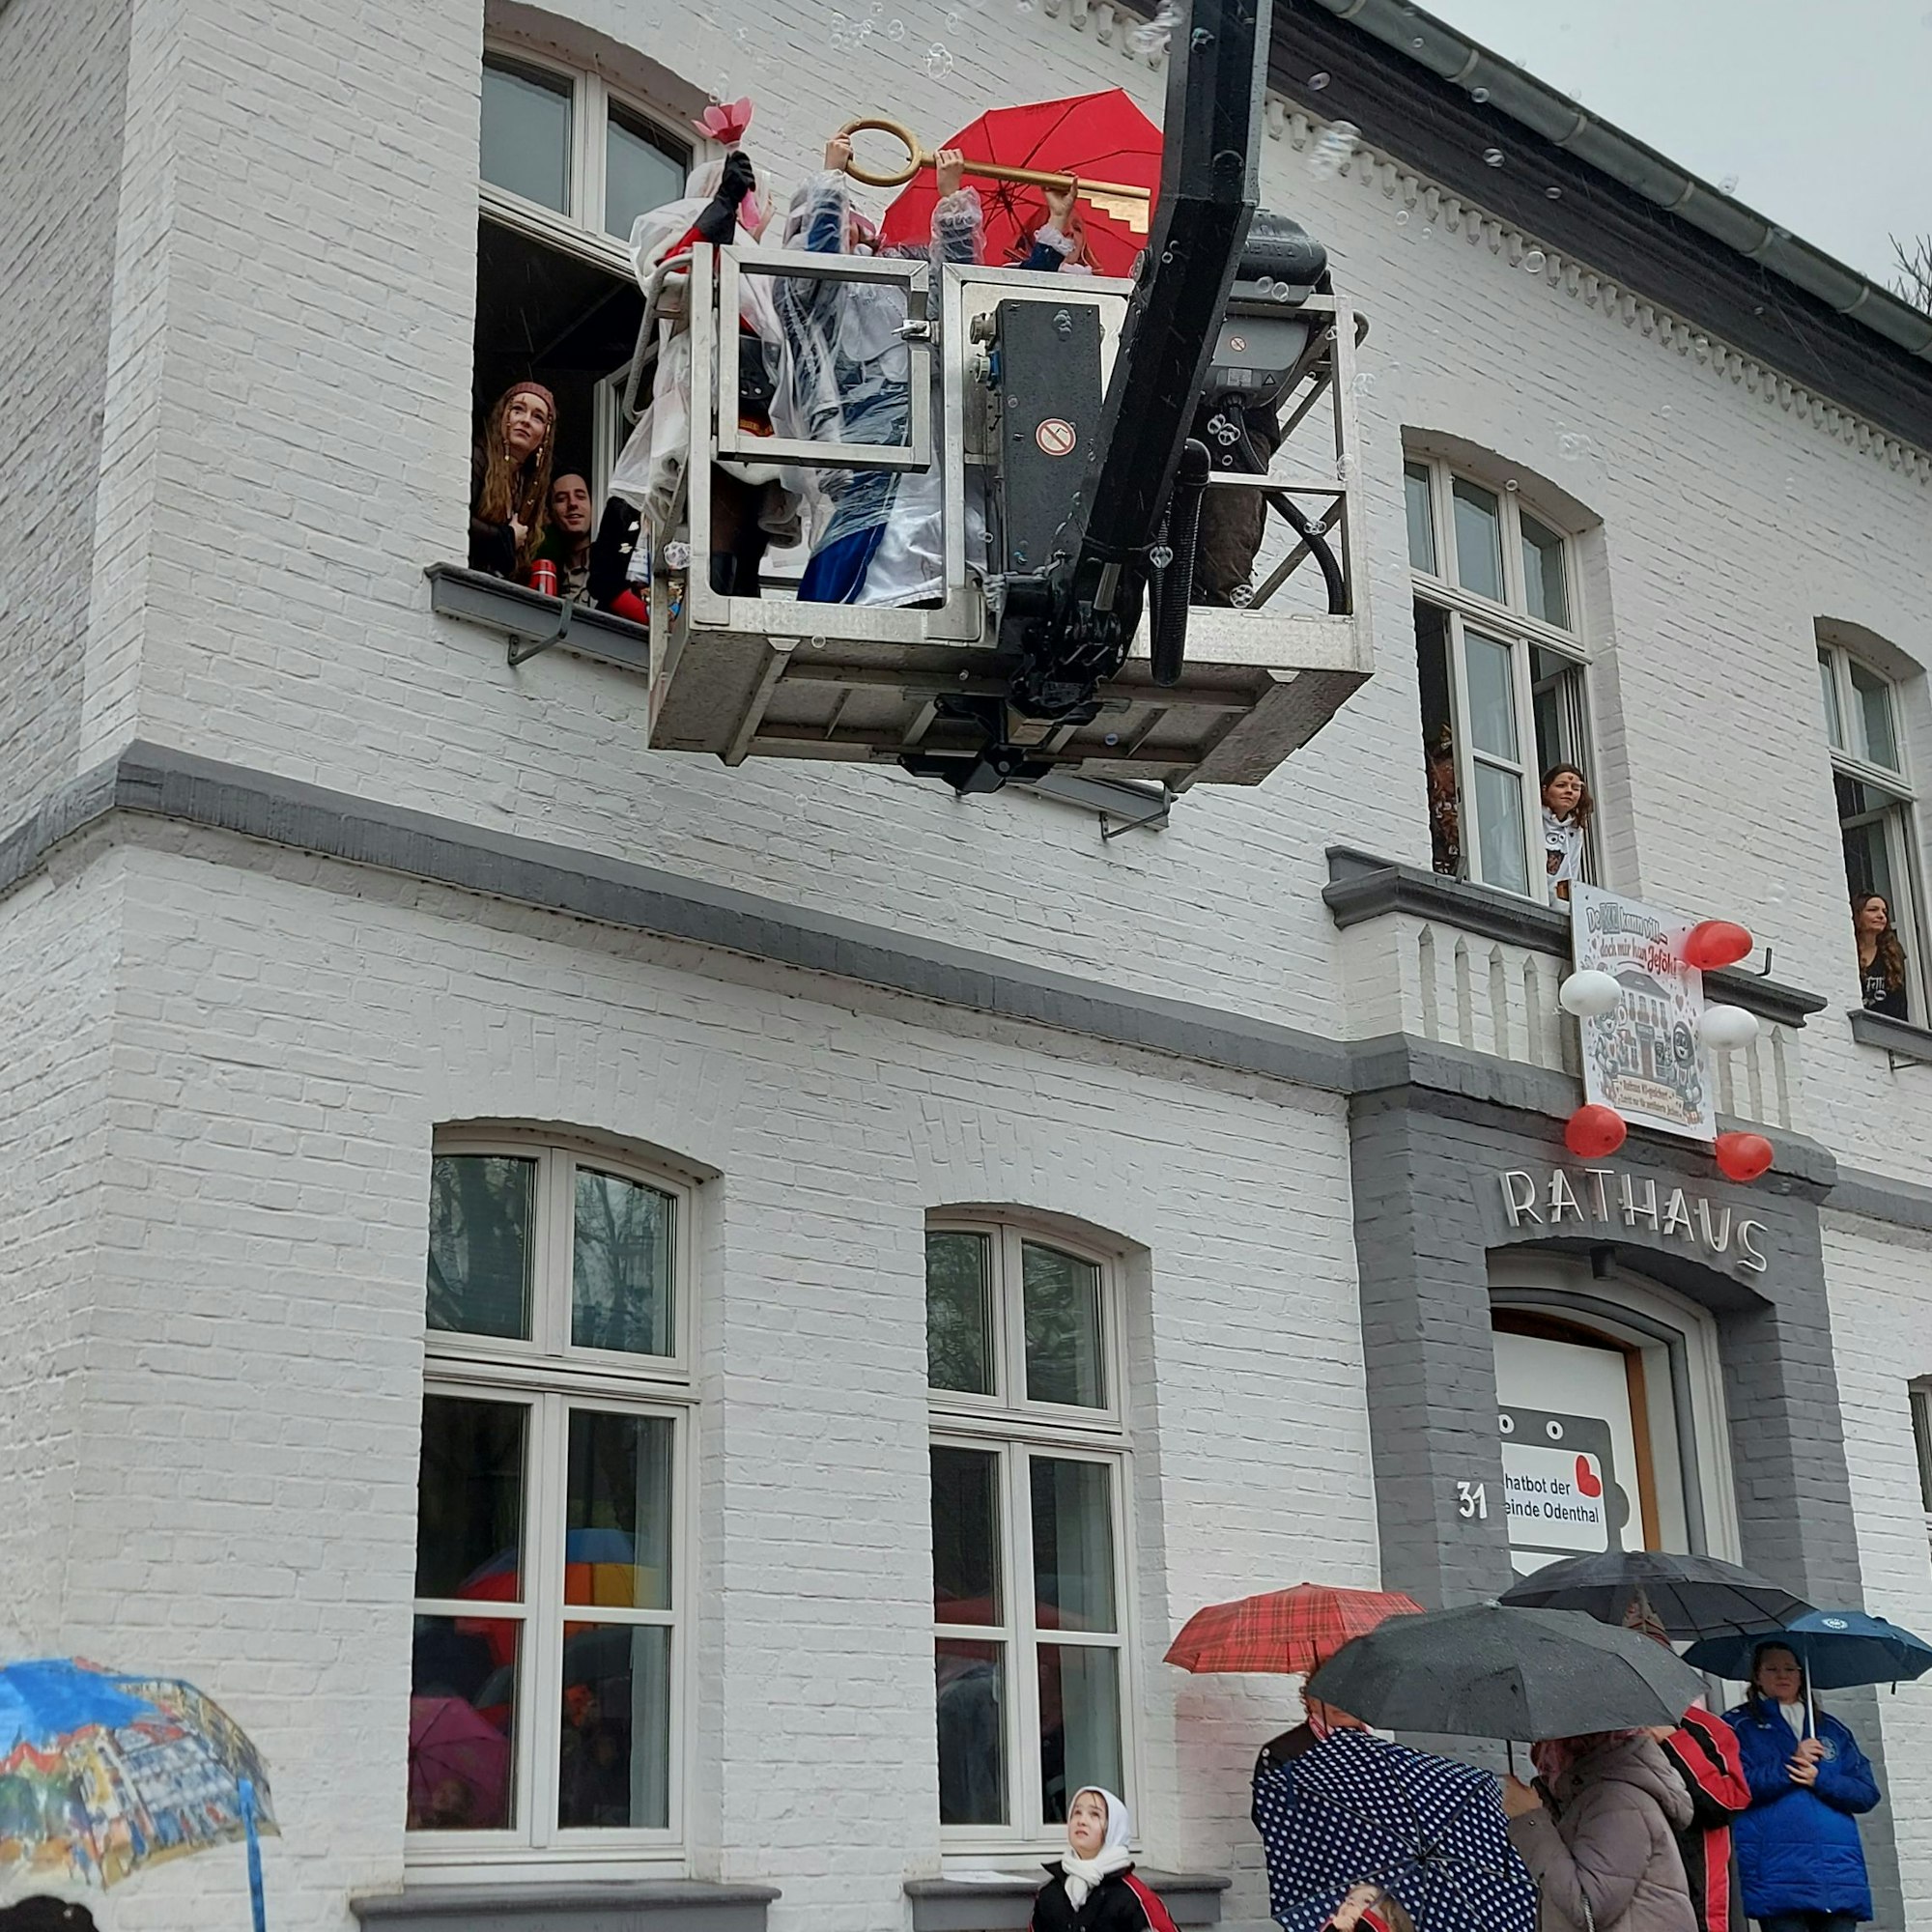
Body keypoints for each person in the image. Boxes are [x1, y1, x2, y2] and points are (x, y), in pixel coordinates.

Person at [773, 134, 983, 607]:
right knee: (876, 573)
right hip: (867, 466)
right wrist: (831, 180)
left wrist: (951, 201)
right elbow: (818, 269)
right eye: (837, 221)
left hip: (933, 458)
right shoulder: (808, 296)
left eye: (854, 222)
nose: (851, 230)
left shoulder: (891, 282)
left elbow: (956, 298)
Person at [608, 108, 801, 602]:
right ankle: (707, 596)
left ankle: (741, 597)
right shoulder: (682, 221)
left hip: (758, 398)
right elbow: (671, 273)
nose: (762, 207)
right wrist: (722, 205)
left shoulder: (763, 262)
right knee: (712, 504)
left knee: (749, 526)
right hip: (707, 384)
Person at [1724, 1643, 1879, 1932]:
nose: (1782, 1675)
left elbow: (1866, 1793)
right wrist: (1790, 1765)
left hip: (1837, 1875)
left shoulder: (1833, 1729)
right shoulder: (1737, 1726)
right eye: (1771, 1668)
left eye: (1790, 1668)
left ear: (1801, 1675)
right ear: (1757, 1676)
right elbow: (1735, 1787)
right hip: (1777, 1875)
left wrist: (1820, 1780)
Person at [1502, 1729, 1697, 1932]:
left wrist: (1532, 1821)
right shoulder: (1590, 1800)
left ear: (1574, 1744)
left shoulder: (1616, 1802)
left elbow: (1588, 1908)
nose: (1540, 1764)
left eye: (1546, 1750)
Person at [1030, 1786, 1179, 1932]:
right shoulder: (1049, 1894)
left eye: (1094, 1815)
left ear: (1114, 1828)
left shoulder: (1135, 1898)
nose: (1082, 1821)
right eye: (1077, 1812)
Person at [469, 382, 555, 580]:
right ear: (502, 416)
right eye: (518, 410)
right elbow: (457, 520)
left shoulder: (530, 483)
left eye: (537, 417)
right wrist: (507, 537)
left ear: (545, 434)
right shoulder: (479, 460)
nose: (526, 421)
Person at [1251, 1688, 1369, 1830]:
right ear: (1312, 1701)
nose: (1342, 1701)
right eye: (1331, 1692)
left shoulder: (1380, 1753)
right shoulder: (1282, 1753)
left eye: (1353, 1693)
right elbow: (1273, 1820)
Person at [1541, 763, 1593, 904]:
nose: (1569, 791)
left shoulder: (1575, 830)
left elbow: (1570, 876)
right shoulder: (1527, 816)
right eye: (1561, 785)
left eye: (1575, 788)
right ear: (1545, 790)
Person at [1852, 893, 1909, 1020]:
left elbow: (1900, 1000)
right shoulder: (1848, 950)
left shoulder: (1892, 952)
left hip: (1887, 1027)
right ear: (1857, 915)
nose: (1881, 916)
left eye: (1884, 912)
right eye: (1873, 910)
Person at [543, 473, 595, 604]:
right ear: (548, 514)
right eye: (561, 499)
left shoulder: (612, 567)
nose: (572, 503)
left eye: (580, 497)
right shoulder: (547, 570)